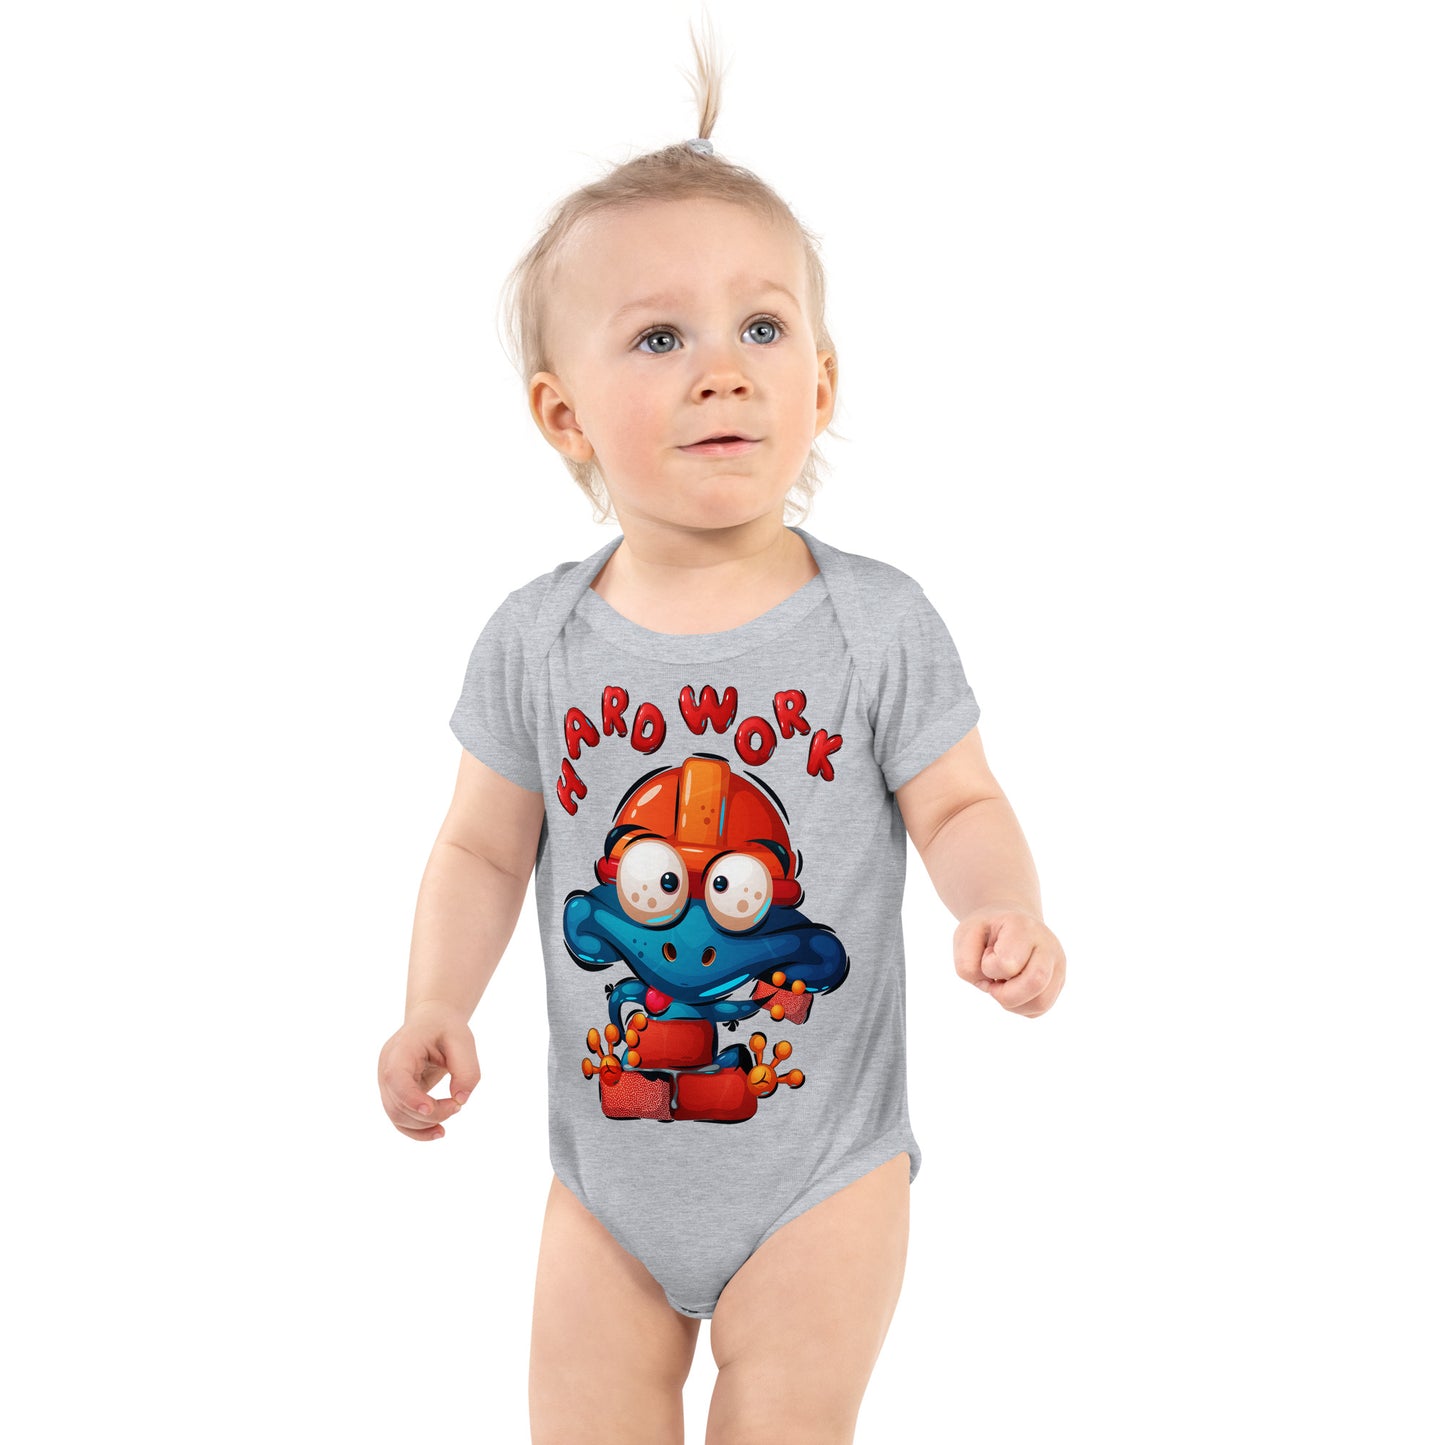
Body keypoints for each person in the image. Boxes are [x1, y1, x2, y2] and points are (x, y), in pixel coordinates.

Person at [376, 20, 1066, 1444]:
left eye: (761, 327)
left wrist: (1000, 904)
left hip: (822, 1171)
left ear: (822, 383)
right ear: (562, 415)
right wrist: (436, 998)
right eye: (659, 337)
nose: (722, 369)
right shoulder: (538, 640)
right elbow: (480, 848)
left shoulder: (873, 622)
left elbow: (957, 802)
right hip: (605, 1182)